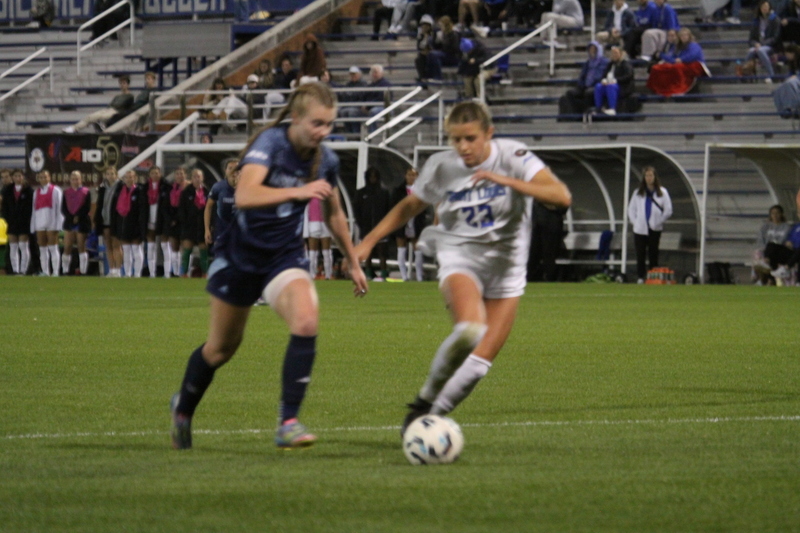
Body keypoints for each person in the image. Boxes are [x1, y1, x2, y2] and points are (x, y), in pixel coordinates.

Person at [169, 82, 369, 451]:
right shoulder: (271, 144)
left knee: (307, 319)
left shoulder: (325, 160)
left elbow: (334, 211)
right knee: (221, 349)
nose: (323, 132)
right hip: (239, 258)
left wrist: (353, 261)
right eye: (317, 124)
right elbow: (246, 195)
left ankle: (288, 421)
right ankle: (183, 406)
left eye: (329, 124)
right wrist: (297, 192)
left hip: (283, 258)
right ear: (295, 117)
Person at [353, 101, 571, 431]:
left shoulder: (513, 156)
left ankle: (428, 421)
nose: (463, 147)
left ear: (489, 134)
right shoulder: (442, 166)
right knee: (470, 330)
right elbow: (412, 204)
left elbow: (560, 196)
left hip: (507, 267)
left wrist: (509, 182)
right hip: (460, 256)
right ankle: (423, 401)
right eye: (455, 139)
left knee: (479, 365)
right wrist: (368, 241)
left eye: (470, 138)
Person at [627, 166, 673, 283]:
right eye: (646, 176)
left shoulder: (662, 192)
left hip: (655, 228)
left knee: (653, 253)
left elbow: (668, 210)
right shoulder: (637, 193)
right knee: (640, 254)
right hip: (640, 229)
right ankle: (641, 277)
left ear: (655, 177)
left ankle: (653, 277)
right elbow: (631, 209)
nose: (648, 178)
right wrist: (635, 222)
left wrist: (659, 221)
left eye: (650, 175)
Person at [392, 167, 429, 281]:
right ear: (405, 176)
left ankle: (419, 276)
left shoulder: (421, 190)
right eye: (409, 175)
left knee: (417, 249)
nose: (411, 177)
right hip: (402, 222)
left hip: (416, 221)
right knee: (401, 249)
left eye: (414, 175)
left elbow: (425, 206)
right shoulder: (398, 190)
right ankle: (404, 276)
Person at [355, 167, 392, 281]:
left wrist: (386, 226)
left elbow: (388, 210)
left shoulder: (383, 193)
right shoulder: (361, 193)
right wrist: (361, 224)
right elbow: (357, 211)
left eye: (375, 176)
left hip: (381, 228)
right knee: (368, 253)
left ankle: (383, 274)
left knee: (382, 253)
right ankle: (368, 273)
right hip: (366, 228)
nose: (373, 179)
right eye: (370, 176)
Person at [63, 76, 134, 133]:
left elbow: (122, 106)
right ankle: (74, 128)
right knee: (89, 117)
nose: (122, 85)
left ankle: (102, 125)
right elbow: (111, 105)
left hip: (117, 112)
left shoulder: (130, 96)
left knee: (100, 117)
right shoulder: (117, 96)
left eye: (124, 83)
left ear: (128, 85)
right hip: (109, 110)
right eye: (121, 83)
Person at [647, 28, 706, 96]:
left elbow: (692, 56)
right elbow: (672, 57)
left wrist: (681, 59)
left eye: (685, 35)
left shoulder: (694, 45)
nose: (683, 37)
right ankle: (659, 89)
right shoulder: (677, 46)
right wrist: (663, 56)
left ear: (689, 36)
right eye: (682, 36)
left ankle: (678, 88)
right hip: (680, 63)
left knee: (677, 67)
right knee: (657, 67)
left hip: (694, 65)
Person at [558, 40, 609, 118]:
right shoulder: (588, 62)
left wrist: (592, 83)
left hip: (597, 85)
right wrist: (581, 84)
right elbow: (583, 75)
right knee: (570, 93)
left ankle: (588, 113)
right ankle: (575, 113)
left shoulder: (604, 62)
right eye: (590, 49)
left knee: (589, 92)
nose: (592, 51)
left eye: (594, 49)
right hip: (585, 85)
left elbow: (602, 75)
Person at [111, 170, 147, 278]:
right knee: (126, 250)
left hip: (136, 224)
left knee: (136, 249)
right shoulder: (119, 192)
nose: (129, 179)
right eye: (127, 177)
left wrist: (141, 226)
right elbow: (115, 210)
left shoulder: (139, 191)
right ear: (124, 179)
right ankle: (127, 273)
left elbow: (143, 210)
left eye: (131, 177)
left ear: (135, 178)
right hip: (123, 224)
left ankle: (137, 273)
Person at [31, 170, 64, 276]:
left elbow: (60, 208)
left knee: (53, 248)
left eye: (45, 177)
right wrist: (33, 225)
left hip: (52, 223)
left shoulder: (56, 190)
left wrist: (59, 224)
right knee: (42, 249)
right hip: (39, 223)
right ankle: (45, 271)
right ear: (38, 179)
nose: (43, 179)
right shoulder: (36, 192)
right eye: (41, 177)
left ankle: (55, 272)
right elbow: (34, 210)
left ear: (49, 177)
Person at [1, 169, 33, 275]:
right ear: (12, 178)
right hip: (12, 222)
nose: (17, 178)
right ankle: (15, 270)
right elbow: (5, 207)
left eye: (19, 176)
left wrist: (26, 219)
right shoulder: (8, 190)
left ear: (23, 177)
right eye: (15, 176)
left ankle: (23, 270)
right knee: (13, 247)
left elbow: (30, 207)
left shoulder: (28, 190)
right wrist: (8, 219)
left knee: (23, 246)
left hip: (24, 222)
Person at [179, 169, 210, 277]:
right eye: (195, 176)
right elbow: (181, 209)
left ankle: (205, 274)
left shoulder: (207, 191)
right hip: (189, 226)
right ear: (191, 178)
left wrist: (209, 225)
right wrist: (185, 222)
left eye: (199, 176)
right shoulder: (186, 192)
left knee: (203, 250)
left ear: (202, 178)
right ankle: (183, 274)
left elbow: (211, 208)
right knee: (187, 250)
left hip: (202, 225)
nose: (197, 178)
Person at [740, 0, 780, 82]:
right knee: (751, 51)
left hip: (771, 46)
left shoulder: (775, 20)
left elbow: (775, 38)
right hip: (758, 45)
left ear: (769, 8)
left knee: (761, 51)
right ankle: (744, 73)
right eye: (763, 7)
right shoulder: (756, 21)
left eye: (766, 7)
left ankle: (771, 74)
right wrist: (755, 44)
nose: (764, 9)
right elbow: (751, 39)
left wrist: (761, 44)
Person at [61, 171, 92, 276]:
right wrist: (71, 217)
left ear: (81, 180)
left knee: (81, 246)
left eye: (77, 179)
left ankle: (83, 270)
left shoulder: (86, 192)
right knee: (67, 246)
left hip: (82, 221)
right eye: (73, 179)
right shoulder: (66, 192)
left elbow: (87, 207)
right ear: (70, 180)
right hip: (69, 221)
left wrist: (78, 216)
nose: (75, 181)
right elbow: (63, 208)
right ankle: (65, 270)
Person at [204, 159, 240, 251]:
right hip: (222, 229)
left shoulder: (248, 187)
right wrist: (207, 229)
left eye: (236, 168)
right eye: (230, 168)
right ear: (225, 171)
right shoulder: (218, 187)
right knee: (220, 258)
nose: (233, 171)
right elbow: (208, 207)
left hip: (241, 230)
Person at [94, 167, 123, 277]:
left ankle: (118, 269)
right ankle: (111, 269)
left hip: (116, 220)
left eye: (112, 173)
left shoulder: (120, 187)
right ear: (105, 175)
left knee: (116, 245)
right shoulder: (103, 188)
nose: (110, 176)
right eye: (108, 174)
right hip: (105, 219)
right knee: (108, 245)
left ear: (116, 175)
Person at [754, 204, 791, 283]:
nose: (775, 215)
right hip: (766, 250)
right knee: (761, 253)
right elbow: (760, 239)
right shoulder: (765, 226)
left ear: (781, 214)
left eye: (777, 213)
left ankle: (768, 274)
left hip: (779, 249)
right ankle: (766, 279)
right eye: (773, 213)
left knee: (771, 247)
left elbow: (784, 240)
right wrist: (764, 249)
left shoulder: (786, 227)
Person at [144, 166, 171, 278]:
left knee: (164, 245)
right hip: (150, 219)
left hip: (162, 219)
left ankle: (167, 273)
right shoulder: (145, 188)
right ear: (149, 175)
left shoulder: (166, 187)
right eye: (153, 173)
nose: (155, 175)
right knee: (151, 246)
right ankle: (152, 272)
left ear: (160, 174)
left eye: (157, 173)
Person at [593, 46, 634, 116]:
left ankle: (612, 108)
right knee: (598, 86)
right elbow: (604, 75)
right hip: (609, 83)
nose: (614, 55)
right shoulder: (610, 64)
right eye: (613, 53)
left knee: (611, 86)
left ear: (620, 54)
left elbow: (629, 76)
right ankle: (598, 108)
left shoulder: (625, 64)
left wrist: (616, 80)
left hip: (622, 86)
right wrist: (604, 80)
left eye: (616, 53)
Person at [163, 167, 188, 278]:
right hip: (172, 221)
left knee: (185, 246)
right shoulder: (170, 189)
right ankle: (175, 272)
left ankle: (184, 271)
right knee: (174, 246)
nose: (179, 176)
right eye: (177, 174)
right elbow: (165, 206)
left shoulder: (188, 188)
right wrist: (170, 219)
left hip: (184, 221)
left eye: (181, 174)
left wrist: (178, 218)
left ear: (185, 175)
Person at [304, 197, 334, 279]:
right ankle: (327, 274)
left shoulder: (310, 197)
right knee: (324, 252)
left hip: (317, 224)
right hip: (319, 224)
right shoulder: (323, 197)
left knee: (317, 252)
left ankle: (315, 274)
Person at [338, 66, 368, 134]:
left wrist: (350, 94)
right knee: (343, 112)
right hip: (349, 106)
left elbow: (360, 95)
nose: (352, 76)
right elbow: (344, 95)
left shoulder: (363, 83)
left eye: (354, 74)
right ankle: (349, 133)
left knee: (352, 112)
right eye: (351, 74)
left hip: (359, 108)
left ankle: (356, 133)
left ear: (359, 74)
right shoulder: (349, 84)